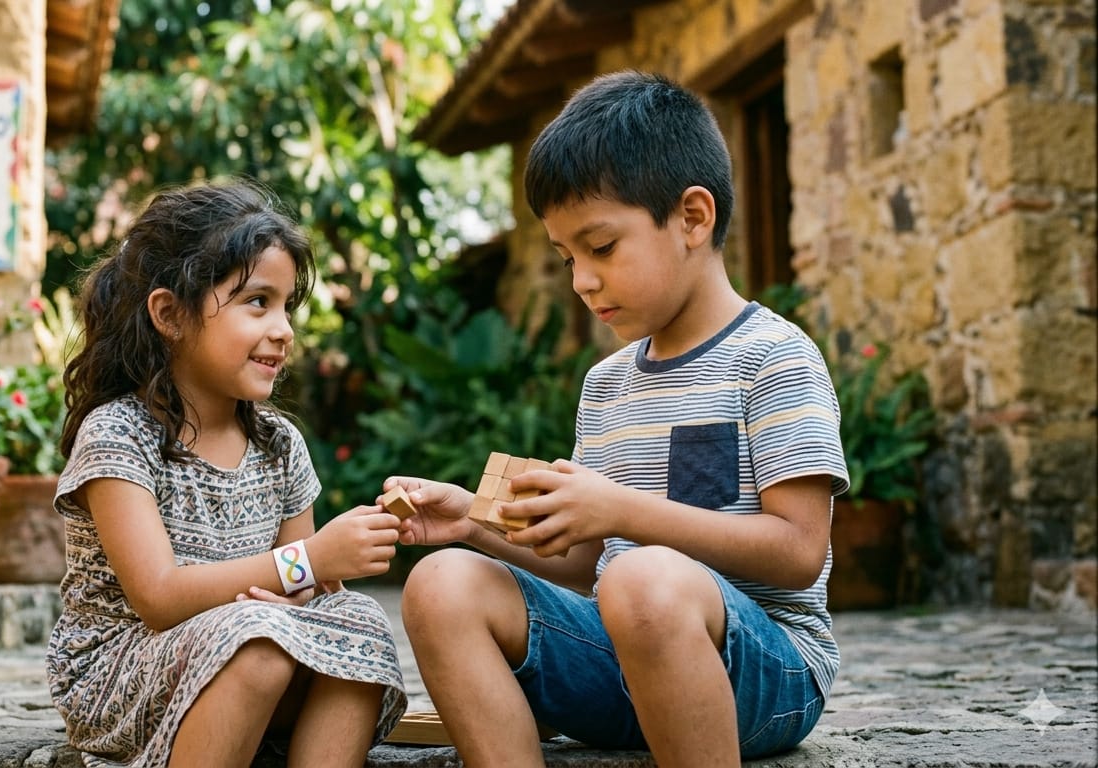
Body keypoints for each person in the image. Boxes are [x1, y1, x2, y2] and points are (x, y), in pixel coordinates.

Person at [389, 70, 850, 768]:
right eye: (567, 256)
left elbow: (797, 552)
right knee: (441, 583)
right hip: (620, 659)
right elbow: (588, 560)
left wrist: (624, 512)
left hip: (765, 673)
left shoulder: (773, 358)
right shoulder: (606, 383)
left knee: (645, 581)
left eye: (601, 248)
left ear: (693, 218)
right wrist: (473, 520)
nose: (581, 279)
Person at [46, 179, 407, 768]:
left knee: (357, 619)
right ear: (170, 314)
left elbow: (302, 592)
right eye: (257, 302)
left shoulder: (280, 444)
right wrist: (310, 562)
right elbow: (160, 598)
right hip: (122, 673)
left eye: (287, 305)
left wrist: (317, 579)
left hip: (251, 645)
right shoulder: (119, 434)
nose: (284, 329)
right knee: (259, 644)